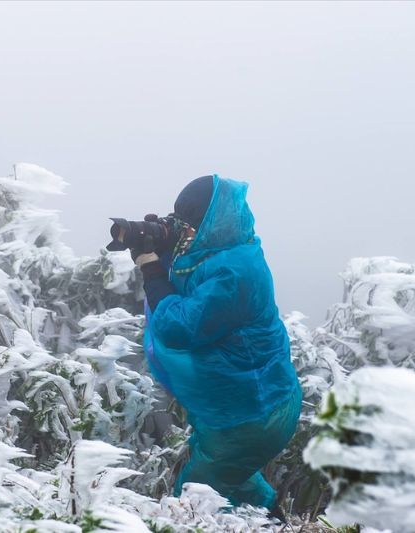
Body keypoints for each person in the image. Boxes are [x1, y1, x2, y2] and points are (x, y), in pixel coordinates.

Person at [130, 174, 302, 518]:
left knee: (192, 502)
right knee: (234, 480)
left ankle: (269, 522)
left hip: (251, 415)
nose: (185, 231)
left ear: (213, 224)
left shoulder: (234, 274)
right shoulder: (224, 251)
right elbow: (188, 280)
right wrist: (162, 245)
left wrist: (151, 270)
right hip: (245, 408)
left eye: (190, 223)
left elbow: (179, 327)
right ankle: (275, 520)